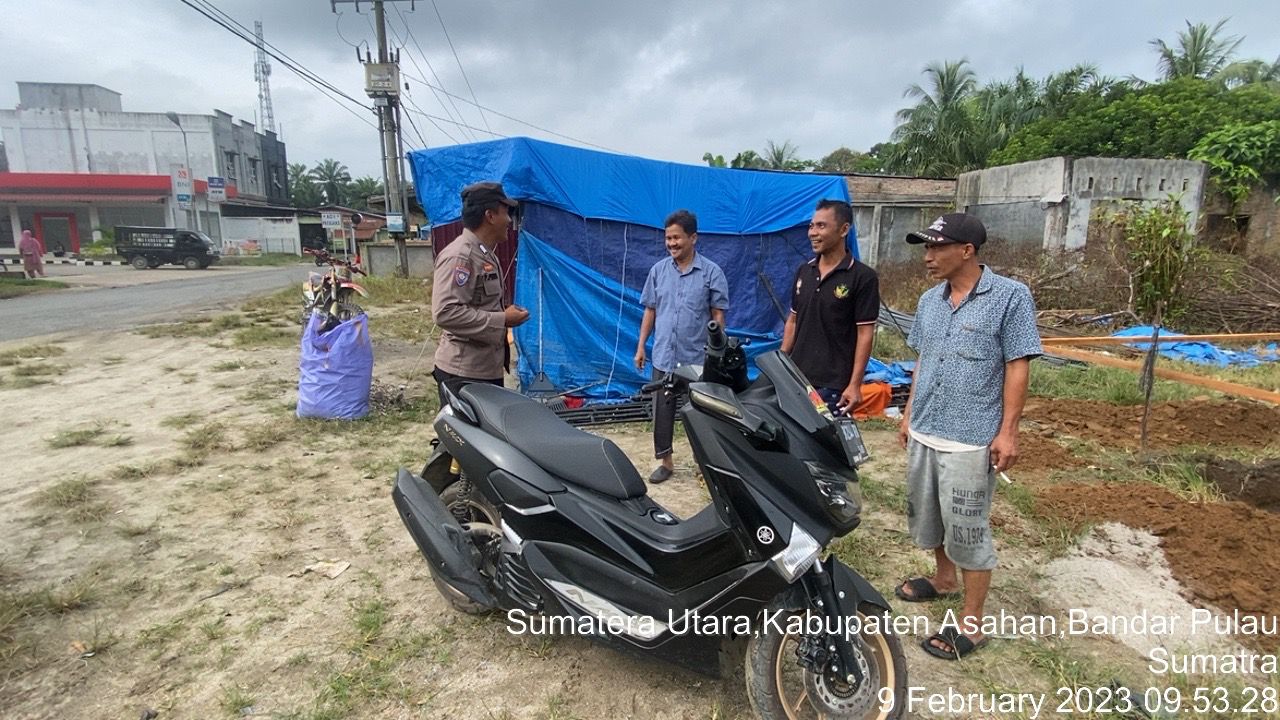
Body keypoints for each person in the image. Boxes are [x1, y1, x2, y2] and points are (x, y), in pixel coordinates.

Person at [893, 213, 1042, 661]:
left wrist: (1008, 432)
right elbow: (923, 359)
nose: (928, 256)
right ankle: (942, 580)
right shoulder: (929, 301)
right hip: (925, 428)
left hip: (971, 436)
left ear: (967, 251)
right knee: (929, 517)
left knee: (968, 529)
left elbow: (1018, 365)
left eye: (937, 248)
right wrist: (908, 413)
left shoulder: (1010, 297)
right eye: (925, 248)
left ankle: (972, 624)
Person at [634, 210, 729, 484]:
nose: (672, 244)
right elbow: (650, 311)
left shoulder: (712, 273)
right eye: (668, 239)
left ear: (693, 238)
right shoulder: (658, 272)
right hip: (664, 357)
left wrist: (716, 354)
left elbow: (718, 316)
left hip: (696, 361)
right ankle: (666, 462)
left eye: (677, 238)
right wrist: (641, 346)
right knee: (661, 413)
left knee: (702, 416)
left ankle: (707, 465)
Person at [431, 181, 530, 404]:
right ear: (490, 216)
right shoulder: (461, 257)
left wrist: (505, 314)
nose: (509, 220)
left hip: (483, 370)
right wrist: (503, 319)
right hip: (463, 375)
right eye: (506, 213)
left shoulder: (485, 254)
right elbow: (445, 313)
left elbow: (478, 305)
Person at [781, 199, 880, 416]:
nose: (812, 233)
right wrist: (781, 363)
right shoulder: (804, 272)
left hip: (833, 385)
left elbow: (865, 333)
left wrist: (854, 384)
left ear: (844, 229)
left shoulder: (862, 277)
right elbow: (793, 319)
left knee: (826, 445)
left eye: (821, 226)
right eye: (811, 226)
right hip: (796, 379)